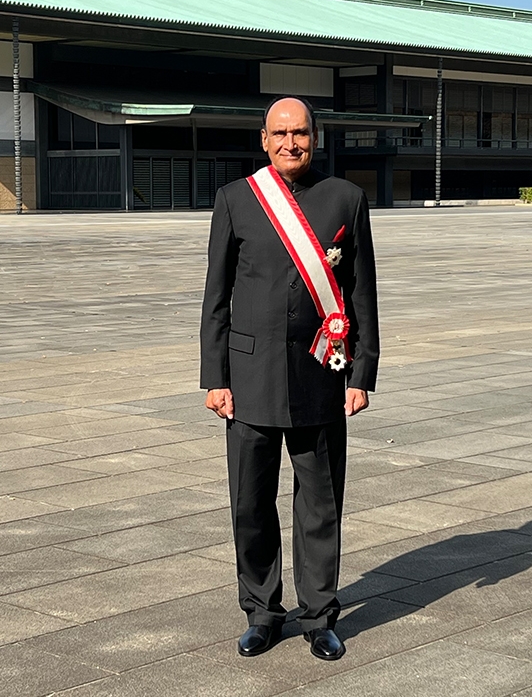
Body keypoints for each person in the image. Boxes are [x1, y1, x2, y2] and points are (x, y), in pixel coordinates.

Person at [200, 96, 380, 661]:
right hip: (248, 378)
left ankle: (320, 615)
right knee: (250, 503)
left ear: (315, 136)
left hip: (320, 375)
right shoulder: (236, 200)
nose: (289, 143)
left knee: (320, 504)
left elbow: (362, 296)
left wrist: (361, 372)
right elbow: (215, 298)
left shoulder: (345, 200)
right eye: (279, 133)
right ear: (263, 139)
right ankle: (260, 611)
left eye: (299, 132)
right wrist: (214, 376)